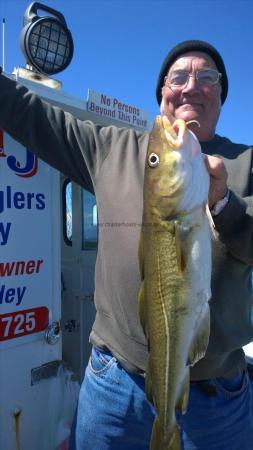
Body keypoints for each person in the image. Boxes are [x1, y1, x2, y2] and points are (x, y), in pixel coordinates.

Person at [0, 39, 253, 450]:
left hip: (218, 399)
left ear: (221, 95)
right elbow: (33, 116)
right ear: (161, 94)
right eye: (178, 77)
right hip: (112, 385)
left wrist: (224, 204)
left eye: (207, 78)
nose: (191, 87)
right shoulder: (111, 147)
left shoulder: (246, 162)